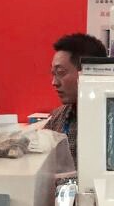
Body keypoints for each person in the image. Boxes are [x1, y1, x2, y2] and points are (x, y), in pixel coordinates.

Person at [45, 32, 107, 168]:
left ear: (87, 72)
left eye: (61, 73)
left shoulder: (111, 118)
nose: (54, 82)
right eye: (53, 74)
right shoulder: (57, 118)